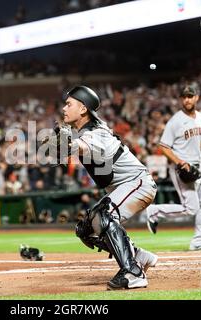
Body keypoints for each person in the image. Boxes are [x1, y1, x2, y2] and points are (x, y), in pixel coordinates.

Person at [59, 85, 158, 290]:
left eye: (69, 104)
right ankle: (138, 256)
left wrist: (69, 144)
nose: (64, 108)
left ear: (83, 109)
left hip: (139, 183)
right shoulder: (86, 132)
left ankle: (133, 273)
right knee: (85, 229)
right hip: (125, 187)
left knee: (103, 216)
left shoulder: (97, 132)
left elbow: (85, 146)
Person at [145, 85, 201, 250]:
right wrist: (179, 162)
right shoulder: (175, 121)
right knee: (191, 209)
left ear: (197, 98)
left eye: (190, 96)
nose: (187, 99)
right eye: (184, 97)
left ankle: (199, 243)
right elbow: (164, 146)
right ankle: (154, 212)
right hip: (183, 169)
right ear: (181, 99)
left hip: (199, 167)